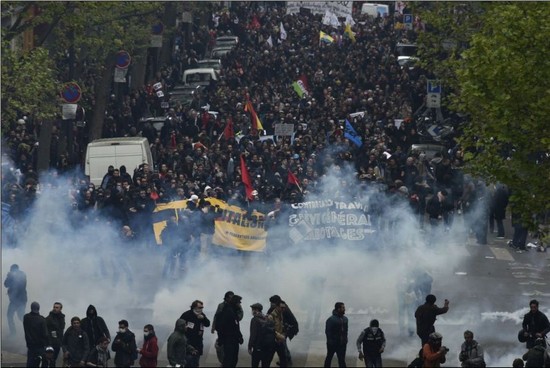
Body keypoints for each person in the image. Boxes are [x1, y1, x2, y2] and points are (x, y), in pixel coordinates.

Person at [212, 291, 243, 365]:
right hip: (228, 340)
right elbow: (219, 321)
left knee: (233, 359)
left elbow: (236, 325)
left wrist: (240, 336)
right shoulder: (226, 310)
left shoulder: (234, 311)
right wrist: (220, 339)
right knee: (228, 359)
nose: (240, 304)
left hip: (234, 340)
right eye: (239, 303)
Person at [179, 300, 211, 367]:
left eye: (202, 307)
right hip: (188, 343)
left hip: (198, 343)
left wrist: (203, 318)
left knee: (196, 363)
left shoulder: (202, 315)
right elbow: (179, 326)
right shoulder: (186, 315)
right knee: (188, 362)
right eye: (199, 307)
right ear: (194, 307)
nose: (201, 309)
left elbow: (208, 324)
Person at [248, 302, 276, 368]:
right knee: (265, 365)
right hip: (268, 347)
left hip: (258, 347)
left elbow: (253, 335)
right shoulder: (267, 318)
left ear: (257, 310)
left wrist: (250, 346)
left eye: (253, 309)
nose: (252, 311)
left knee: (255, 364)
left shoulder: (255, 320)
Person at [23, 301, 49, 367]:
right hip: (40, 346)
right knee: (40, 363)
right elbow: (45, 334)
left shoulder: (26, 317)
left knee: (30, 363)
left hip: (30, 346)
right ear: (38, 308)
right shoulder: (42, 320)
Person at [4, 263, 27, 335]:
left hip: (18, 300)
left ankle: (30, 331)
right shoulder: (22, 274)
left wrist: (9, 277)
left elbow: (6, 284)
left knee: (18, 316)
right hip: (18, 300)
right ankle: (14, 333)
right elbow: (6, 284)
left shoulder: (19, 275)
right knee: (16, 316)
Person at [324, 302, 348, 368]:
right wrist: (330, 342)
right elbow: (328, 332)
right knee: (329, 358)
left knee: (342, 360)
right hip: (333, 344)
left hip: (342, 344)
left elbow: (346, 331)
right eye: (343, 308)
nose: (344, 309)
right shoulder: (331, 320)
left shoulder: (345, 319)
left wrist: (345, 340)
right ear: (338, 309)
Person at [267, 297, 288, 368]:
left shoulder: (280, 315)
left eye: (284, 308)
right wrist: (279, 336)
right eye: (281, 307)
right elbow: (270, 330)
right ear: (277, 307)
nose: (283, 309)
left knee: (283, 359)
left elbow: (281, 327)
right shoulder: (271, 316)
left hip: (279, 341)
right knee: (268, 360)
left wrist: (283, 334)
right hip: (273, 341)